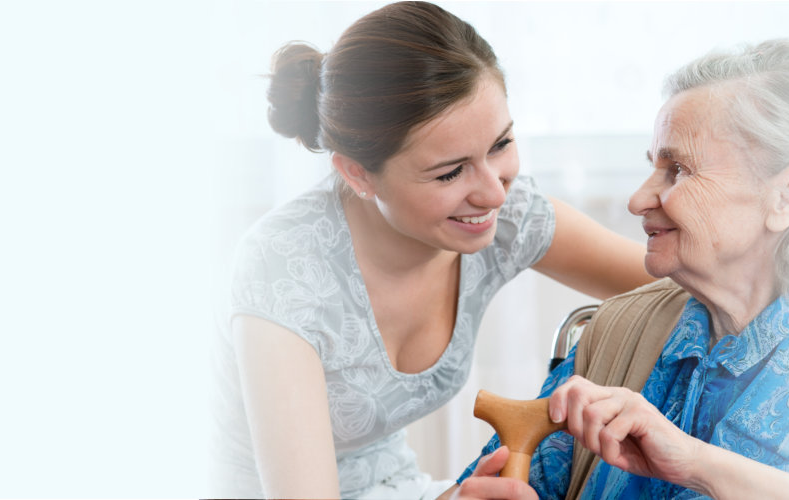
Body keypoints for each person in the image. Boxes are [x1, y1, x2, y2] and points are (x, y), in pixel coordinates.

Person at [214, 2, 655, 498]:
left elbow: (678, 284)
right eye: (449, 172)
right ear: (357, 172)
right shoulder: (282, 270)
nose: (493, 193)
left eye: (501, 143)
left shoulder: (507, 214)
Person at [447, 37, 789, 500]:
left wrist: (697, 465)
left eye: (678, 169)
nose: (638, 200)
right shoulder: (617, 331)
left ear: (788, 196)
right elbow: (489, 488)